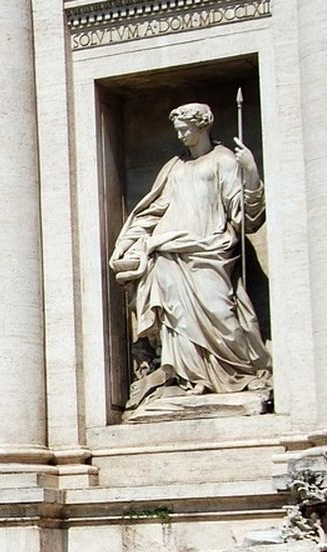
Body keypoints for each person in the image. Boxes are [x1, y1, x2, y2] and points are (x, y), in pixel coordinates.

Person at [109, 102, 271, 408]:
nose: (181, 135)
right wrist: (131, 242)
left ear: (203, 126)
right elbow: (152, 210)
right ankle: (191, 378)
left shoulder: (223, 161)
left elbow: (247, 216)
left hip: (210, 248)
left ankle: (236, 371)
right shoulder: (174, 167)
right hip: (169, 250)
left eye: (186, 129)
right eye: (178, 130)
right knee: (176, 317)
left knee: (219, 310)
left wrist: (250, 171)